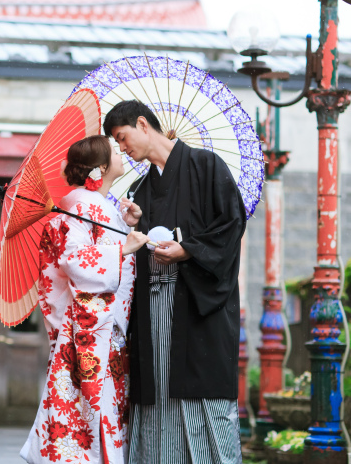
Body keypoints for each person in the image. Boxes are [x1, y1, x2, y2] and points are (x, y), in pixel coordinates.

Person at [104, 99, 246, 464]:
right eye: (118, 144)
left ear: (142, 124)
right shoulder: (140, 188)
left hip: (198, 306)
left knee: (202, 399)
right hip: (153, 308)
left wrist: (187, 250)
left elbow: (231, 224)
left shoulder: (206, 166)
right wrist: (134, 221)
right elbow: (140, 245)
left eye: (122, 137)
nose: (122, 148)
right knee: (158, 396)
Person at [20, 135, 149, 464]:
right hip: (91, 334)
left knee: (95, 417)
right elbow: (75, 262)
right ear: (101, 168)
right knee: (91, 419)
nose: (122, 154)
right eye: (116, 151)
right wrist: (124, 247)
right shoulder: (84, 206)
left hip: (104, 329)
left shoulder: (93, 204)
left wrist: (126, 223)